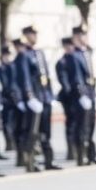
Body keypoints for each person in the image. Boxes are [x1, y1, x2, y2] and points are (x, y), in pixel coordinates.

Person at [15, 24, 60, 172]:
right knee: (32, 132)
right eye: (32, 34)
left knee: (46, 131)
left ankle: (49, 161)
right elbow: (25, 77)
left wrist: (51, 95)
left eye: (35, 34)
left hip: (44, 96)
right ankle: (30, 162)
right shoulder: (24, 55)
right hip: (34, 98)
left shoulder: (39, 53)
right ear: (26, 36)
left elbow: (46, 75)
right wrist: (30, 96)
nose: (35, 36)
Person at [71, 24, 96, 165]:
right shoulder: (75, 55)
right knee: (82, 126)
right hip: (82, 96)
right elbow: (76, 76)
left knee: (91, 124)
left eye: (85, 35)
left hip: (91, 93)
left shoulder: (86, 53)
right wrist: (82, 94)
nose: (84, 37)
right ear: (75, 37)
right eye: (81, 35)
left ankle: (91, 155)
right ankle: (81, 156)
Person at [55, 36, 78, 161]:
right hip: (68, 97)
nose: (70, 48)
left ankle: (76, 147)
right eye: (68, 45)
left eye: (71, 45)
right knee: (70, 123)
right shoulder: (62, 62)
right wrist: (71, 91)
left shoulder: (75, 59)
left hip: (77, 96)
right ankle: (71, 150)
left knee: (77, 123)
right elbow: (63, 80)